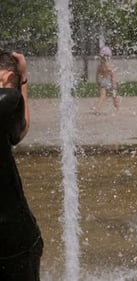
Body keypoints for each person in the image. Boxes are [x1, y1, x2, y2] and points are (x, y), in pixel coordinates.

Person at [0, 50, 43, 280]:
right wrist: (22, 80)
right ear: (8, 78)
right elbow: (21, 130)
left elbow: (18, 131)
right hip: (14, 237)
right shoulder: (8, 101)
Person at [93, 46, 119, 115]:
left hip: (103, 81)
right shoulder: (109, 65)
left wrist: (97, 82)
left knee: (102, 96)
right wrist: (114, 83)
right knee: (114, 96)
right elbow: (112, 75)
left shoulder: (100, 65)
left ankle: (97, 109)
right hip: (110, 82)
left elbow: (97, 74)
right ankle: (117, 108)